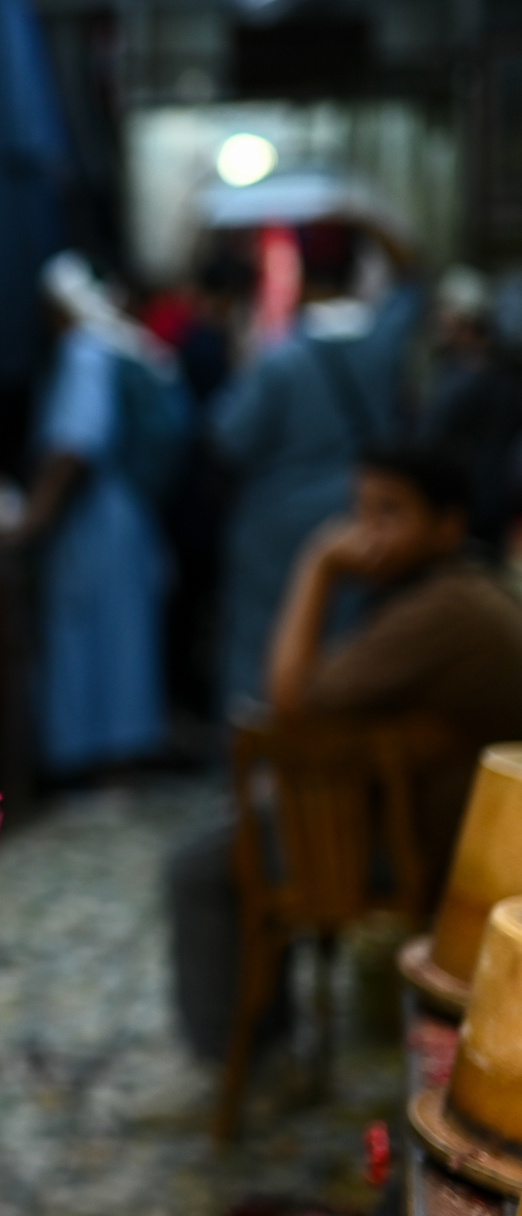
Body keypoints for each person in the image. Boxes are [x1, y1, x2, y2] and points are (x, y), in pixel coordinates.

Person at [264, 442, 522, 869]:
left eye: (388, 513)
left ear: (448, 526)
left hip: (453, 851)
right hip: (458, 831)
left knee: (203, 866)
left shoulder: (447, 610)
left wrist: (316, 565)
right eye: (359, 511)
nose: (364, 534)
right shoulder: (460, 590)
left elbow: (291, 705)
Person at [210, 220, 420, 715]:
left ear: (301, 277)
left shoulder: (280, 358)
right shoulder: (385, 341)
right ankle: (337, 769)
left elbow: (229, 437)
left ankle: (260, 772)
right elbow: (416, 282)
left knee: (264, 644)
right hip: (361, 512)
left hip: (274, 526)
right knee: (346, 642)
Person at [23, 251, 185, 776]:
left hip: (95, 518)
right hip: (127, 511)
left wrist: (35, 515)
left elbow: (76, 443)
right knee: (122, 630)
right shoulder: (127, 345)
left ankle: (90, 755)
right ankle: (123, 744)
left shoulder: (85, 352)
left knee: (89, 630)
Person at [418, 265, 522, 552]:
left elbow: (431, 434)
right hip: (491, 500)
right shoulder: (498, 374)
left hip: (467, 503)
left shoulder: (469, 378)